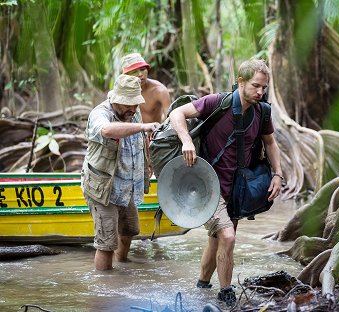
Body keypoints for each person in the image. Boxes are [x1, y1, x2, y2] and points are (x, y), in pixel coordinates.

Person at [169, 59, 284, 306]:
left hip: (237, 188)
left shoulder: (262, 112)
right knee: (228, 237)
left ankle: (201, 287)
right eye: (255, 86)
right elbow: (177, 113)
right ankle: (226, 294)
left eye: (264, 87)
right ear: (240, 82)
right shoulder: (216, 103)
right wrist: (186, 140)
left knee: (217, 237)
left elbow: (271, 143)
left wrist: (277, 174)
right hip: (207, 186)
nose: (260, 92)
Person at [81, 74, 159, 271]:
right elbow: (107, 130)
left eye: (135, 104)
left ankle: (121, 268)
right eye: (128, 104)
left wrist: (148, 162)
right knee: (106, 243)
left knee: (130, 230)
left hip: (127, 184)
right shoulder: (100, 113)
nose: (133, 109)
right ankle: (105, 286)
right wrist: (142, 126)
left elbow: (142, 137)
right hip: (103, 188)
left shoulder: (133, 111)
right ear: (115, 98)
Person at [121, 52, 171, 123]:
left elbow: (170, 118)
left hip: (155, 132)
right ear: (126, 76)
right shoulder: (121, 94)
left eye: (142, 69)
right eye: (134, 71)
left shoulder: (159, 91)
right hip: (132, 132)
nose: (140, 74)